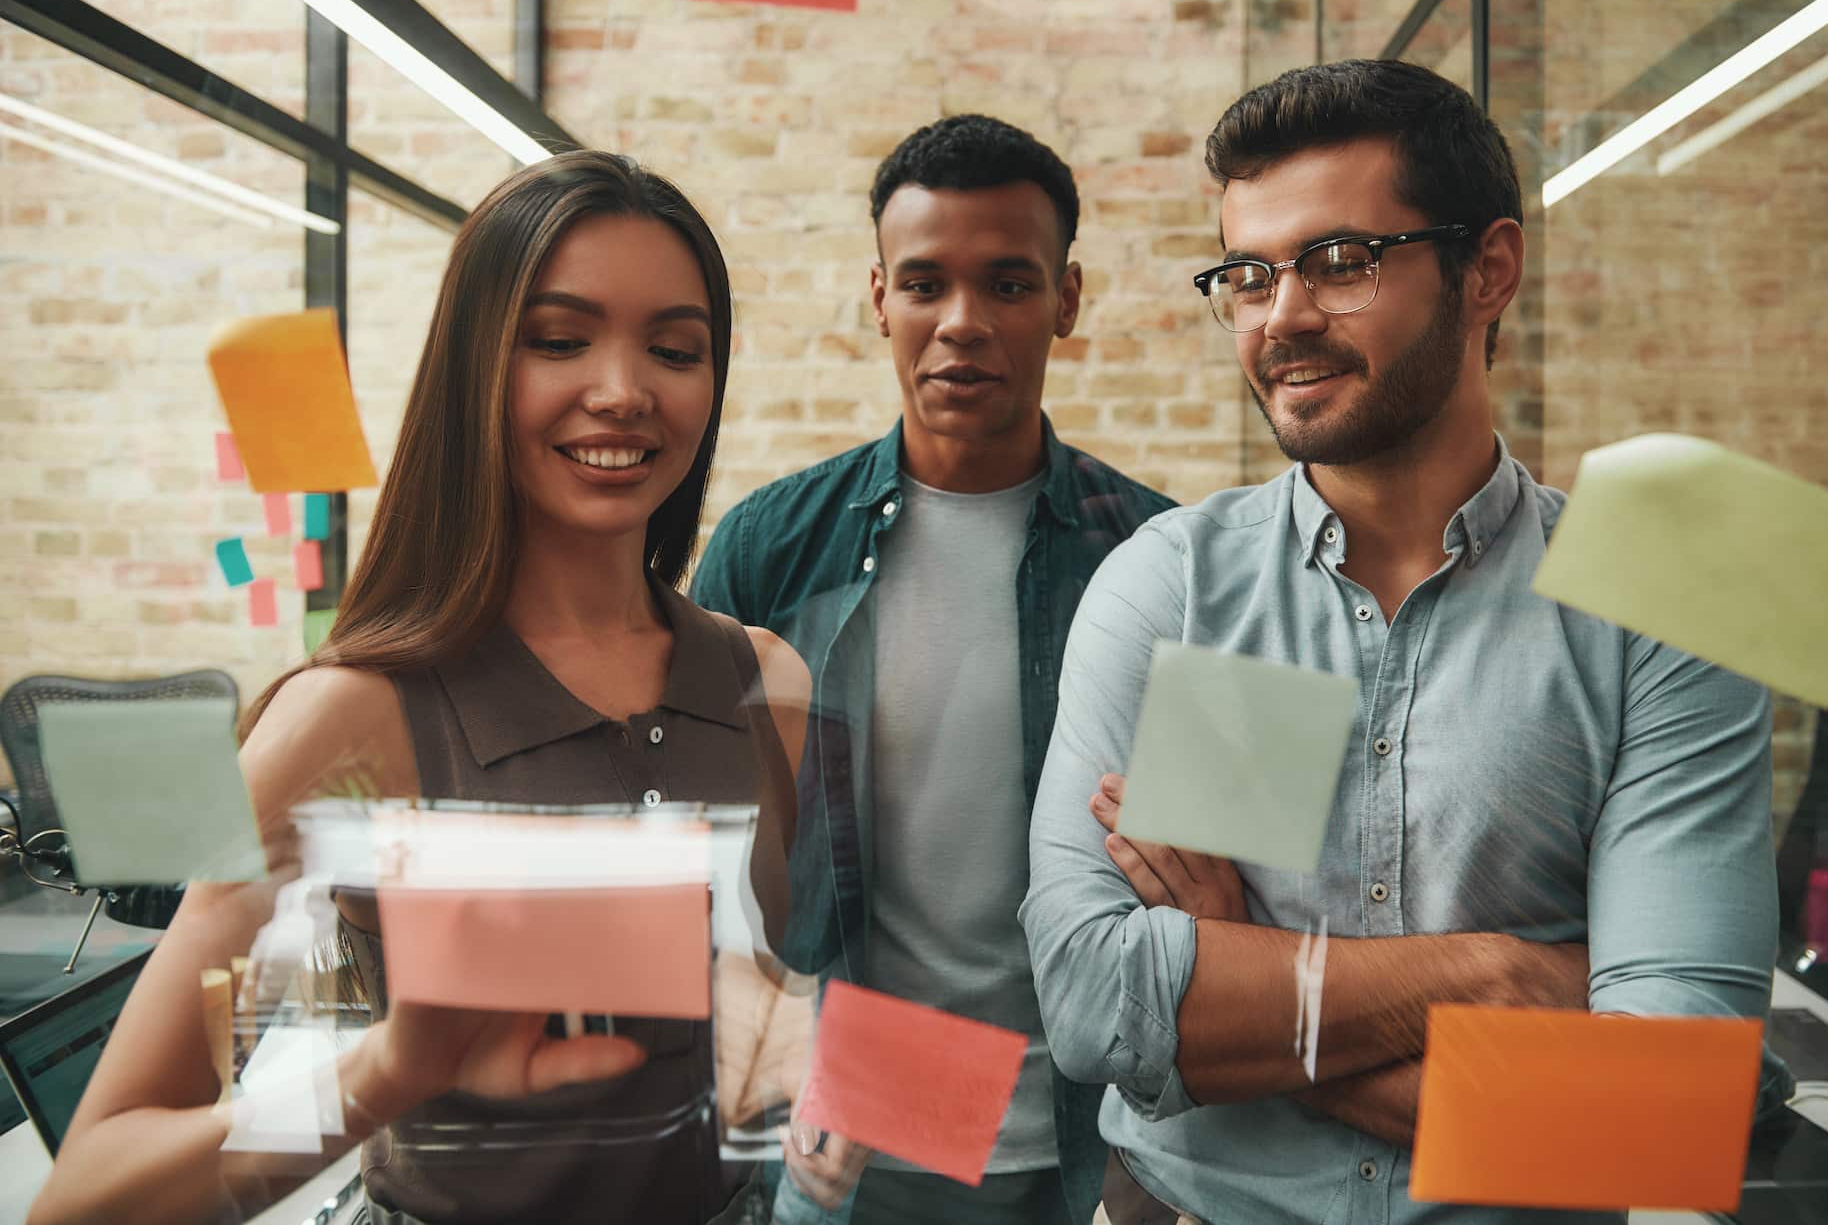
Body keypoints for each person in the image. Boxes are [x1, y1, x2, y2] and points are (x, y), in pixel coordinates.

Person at [1022, 60, 1784, 1224]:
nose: (1280, 316)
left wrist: (1252, 983)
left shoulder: (1658, 618)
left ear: (1486, 271)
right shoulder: (1180, 590)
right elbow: (1090, 1004)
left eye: (1340, 263)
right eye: (1245, 275)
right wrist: (1494, 978)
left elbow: (1667, 1105)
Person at [30, 151, 809, 1225]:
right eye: (558, 340)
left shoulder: (767, 684)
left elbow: (746, 1035)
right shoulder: (347, 721)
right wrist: (384, 1072)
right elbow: (89, 1192)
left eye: (674, 349)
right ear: (476, 368)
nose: (624, 391)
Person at [692, 114, 1176, 1224]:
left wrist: (1161, 1139)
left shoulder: (1154, 558)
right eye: (924, 284)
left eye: (1007, 284)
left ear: (1067, 298)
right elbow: (694, 845)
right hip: (839, 1139)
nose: (962, 323)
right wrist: (758, 1061)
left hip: (1080, 1141)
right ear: (877, 299)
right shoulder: (771, 549)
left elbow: (1224, 881)